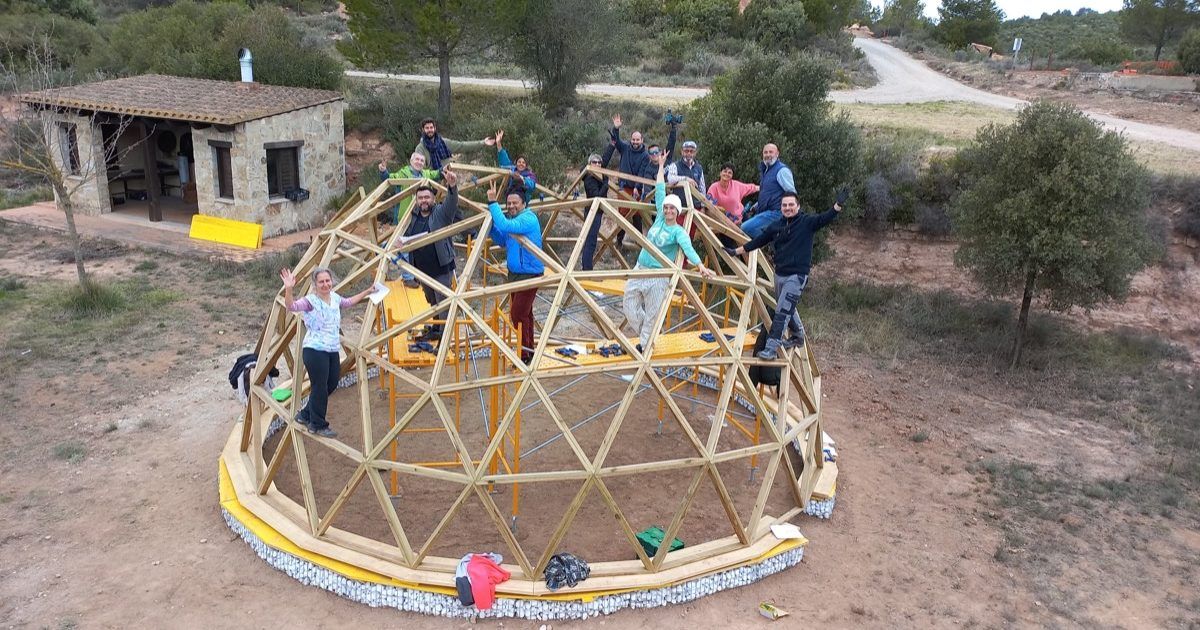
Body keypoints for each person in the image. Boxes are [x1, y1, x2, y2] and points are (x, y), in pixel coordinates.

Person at [729, 188, 848, 360]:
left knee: (782, 310)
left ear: (798, 206)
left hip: (797, 275)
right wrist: (736, 251)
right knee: (787, 307)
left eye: (791, 205)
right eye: (784, 205)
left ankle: (771, 348)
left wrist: (837, 205)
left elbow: (825, 218)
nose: (787, 208)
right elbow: (758, 242)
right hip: (780, 274)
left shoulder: (807, 222)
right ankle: (798, 335)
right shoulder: (776, 225)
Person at [623, 153, 715, 354]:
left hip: (659, 277)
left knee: (653, 315)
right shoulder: (659, 220)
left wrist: (700, 266)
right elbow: (660, 190)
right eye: (666, 208)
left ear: (678, 211)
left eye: (672, 208)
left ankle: (645, 346)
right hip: (641, 269)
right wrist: (661, 166)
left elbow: (688, 248)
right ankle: (647, 335)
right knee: (629, 305)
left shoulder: (678, 231)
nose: (668, 211)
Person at [281, 267, 375, 438]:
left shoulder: (335, 298)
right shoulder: (310, 301)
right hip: (315, 350)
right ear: (315, 285)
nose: (325, 284)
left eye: (327, 281)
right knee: (319, 386)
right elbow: (291, 306)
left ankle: (305, 414)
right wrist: (289, 288)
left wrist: (368, 291)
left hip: (332, 349)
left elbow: (349, 302)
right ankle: (317, 425)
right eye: (321, 282)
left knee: (330, 384)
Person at [486, 180, 545, 364]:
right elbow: (503, 238)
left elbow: (505, 226)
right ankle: (528, 350)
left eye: (515, 203)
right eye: (508, 203)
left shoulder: (528, 219)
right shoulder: (512, 221)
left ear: (524, 204)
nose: (511, 206)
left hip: (529, 274)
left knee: (517, 314)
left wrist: (492, 203)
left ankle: (524, 353)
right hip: (515, 274)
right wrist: (490, 227)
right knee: (525, 314)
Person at [402, 165, 462, 341]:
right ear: (416, 200)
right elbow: (408, 236)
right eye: (420, 198)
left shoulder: (441, 213)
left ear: (433, 199)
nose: (423, 201)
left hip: (441, 268)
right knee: (432, 302)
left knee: (442, 303)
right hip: (422, 270)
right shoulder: (413, 216)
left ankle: (445, 338)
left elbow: (452, 203)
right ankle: (437, 329)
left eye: (427, 197)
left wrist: (452, 186)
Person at [610, 113, 678, 246]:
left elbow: (643, 173)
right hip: (624, 187)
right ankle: (618, 242)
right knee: (622, 214)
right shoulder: (625, 148)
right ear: (631, 140)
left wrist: (638, 188)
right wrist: (616, 129)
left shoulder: (646, 155)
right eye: (633, 139)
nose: (635, 142)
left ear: (642, 140)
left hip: (641, 189)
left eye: (638, 140)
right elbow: (616, 140)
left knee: (638, 215)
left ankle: (639, 242)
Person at [740, 143, 797, 240]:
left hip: (776, 212)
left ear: (777, 154)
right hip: (765, 211)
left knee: (745, 228)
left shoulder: (781, 170)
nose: (768, 155)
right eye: (765, 152)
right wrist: (756, 205)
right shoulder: (766, 171)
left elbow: (792, 193)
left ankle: (774, 239)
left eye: (771, 152)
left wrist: (790, 214)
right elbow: (769, 194)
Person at [581, 141, 617, 271]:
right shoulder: (589, 178)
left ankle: (586, 269)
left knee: (591, 240)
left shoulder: (596, 175)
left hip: (596, 211)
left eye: (598, 162)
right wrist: (606, 184)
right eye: (594, 162)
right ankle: (587, 271)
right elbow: (597, 196)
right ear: (589, 164)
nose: (597, 164)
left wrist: (612, 145)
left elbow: (605, 160)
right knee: (590, 241)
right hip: (592, 211)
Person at [377, 153, 441, 225]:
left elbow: (438, 173)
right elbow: (388, 179)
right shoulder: (403, 173)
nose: (419, 162)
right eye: (417, 159)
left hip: (421, 215)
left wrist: (447, 169)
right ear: (411, 161)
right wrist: (383, 171)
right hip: (404, 216)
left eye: (422, 160)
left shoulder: (426, 174)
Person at [413, 117, 495, 171]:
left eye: (431, 127)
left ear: (435, 128)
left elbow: (462, 146)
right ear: (423, 130)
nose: (429, 130)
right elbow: (419, 169)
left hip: (448, 179)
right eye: (427, 128)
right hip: (432, 183)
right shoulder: (420, 148)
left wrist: (482, 142)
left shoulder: (443, 142)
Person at [494, 129, 537, 202]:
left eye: (523, 162)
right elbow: (504, 161)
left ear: (526, 165)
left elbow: (531, 185)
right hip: (511, 200)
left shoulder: (530, 174)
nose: (521, 164)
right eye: (519, 162)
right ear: (516, 163)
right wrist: (498, 143)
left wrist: (521, 178)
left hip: (522, 202)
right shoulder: (512, 169)